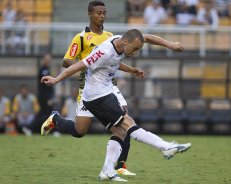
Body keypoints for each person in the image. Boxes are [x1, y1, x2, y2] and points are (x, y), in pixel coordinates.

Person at [42, 0, 185, 176]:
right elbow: (69, 62)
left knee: (123, 121)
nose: (102, 16)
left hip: (108, 86)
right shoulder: (83, 39)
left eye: (104, 13)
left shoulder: (114, 37)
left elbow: (125, 54)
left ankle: (119, 166)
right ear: (90, 14)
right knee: (81, 131)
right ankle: (56, 120)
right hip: (91, 89)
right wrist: (62, 77)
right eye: (98, 13)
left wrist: (168, 46)